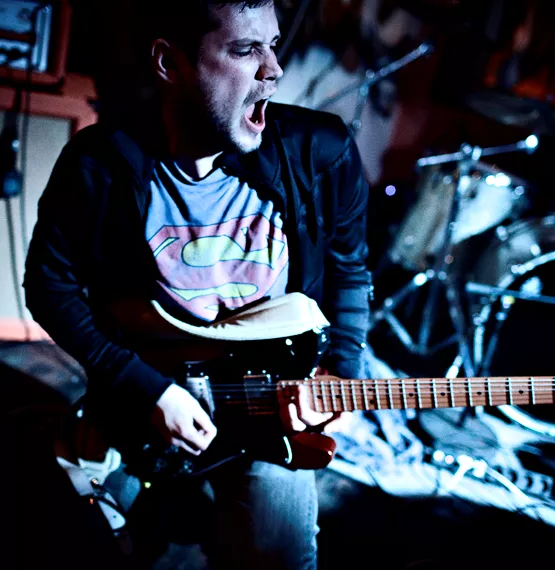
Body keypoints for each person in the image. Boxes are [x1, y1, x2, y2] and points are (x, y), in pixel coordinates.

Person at [24, 1, 372, 568]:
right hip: (144, 398)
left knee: (280, 560)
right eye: (244, 49)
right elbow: (49, 288)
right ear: (170, 63)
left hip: (268, 409)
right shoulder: (99, 166)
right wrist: (149, 390)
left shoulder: (321, 153)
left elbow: (349, 266)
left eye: (273, 45)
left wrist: (342, 371)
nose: (273, 69)